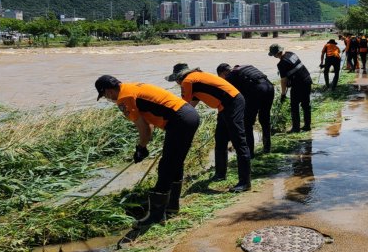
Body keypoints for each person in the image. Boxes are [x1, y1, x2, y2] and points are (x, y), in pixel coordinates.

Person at [95, 75, 200, 225]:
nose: (107, 98)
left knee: (166, 167)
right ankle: (172, 207)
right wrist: (143, 146)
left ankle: (156, 216)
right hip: (188, 114)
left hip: (180, 120)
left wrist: (141, 148)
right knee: (175, 163)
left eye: (104, 95)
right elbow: (148, 125)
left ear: (108, 91)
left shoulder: (124, 97)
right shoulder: (132, 86)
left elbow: (144, 129)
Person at [166, 63, 251, 192]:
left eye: (176, 81)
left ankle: (245, 182)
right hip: (225, 105)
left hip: (232, 103)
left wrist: (173, 124)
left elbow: (183, 107)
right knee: (220, 139)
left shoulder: (188, 82)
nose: (177, 84)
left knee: (239, 141)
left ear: (179, 78)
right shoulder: (195, 78)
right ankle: (220, 174)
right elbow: (190, 107)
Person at [216, 62, 275, 155]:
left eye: (221, 78)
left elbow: (229, 99)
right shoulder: (243, 68)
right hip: (269, 87)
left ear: (223, 73)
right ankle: (267, 148)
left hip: (257, 90)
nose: (222, 80)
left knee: (247, 123)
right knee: (265, 119)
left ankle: (250, 153)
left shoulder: (229, 77)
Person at [268, 44, 312, 133]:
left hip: (298, 85)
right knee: (306, 104)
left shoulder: (281, 63)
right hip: (307, 80)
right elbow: (294, 68)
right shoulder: (291, 53)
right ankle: (307, 126)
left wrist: (283, 94)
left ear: (276, 54)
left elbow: (283, 80)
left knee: (294, 106)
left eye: (273, 55)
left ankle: (296, 128)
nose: (274, 57)